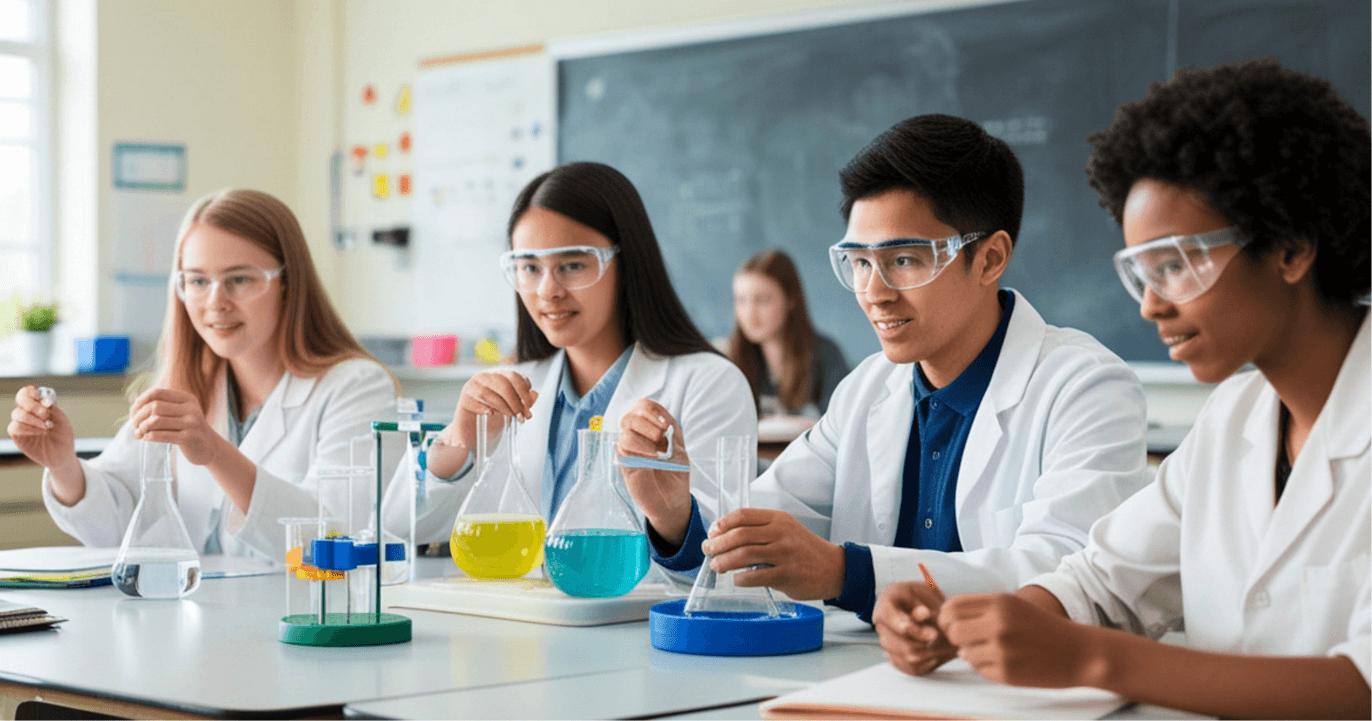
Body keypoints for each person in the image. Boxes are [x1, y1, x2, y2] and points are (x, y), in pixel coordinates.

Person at [876, 59, 1369, 720]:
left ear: (1288, 248)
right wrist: (977, 625)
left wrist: (1091, 657)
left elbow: (1361, 686)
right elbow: (1103, 580)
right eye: (1142, 272)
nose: (1152, 307)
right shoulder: (1237, 418)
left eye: (1177, 265)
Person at [642, 114, 1150, 621]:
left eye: (905, 260)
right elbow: (753, 535)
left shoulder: (1085, 388)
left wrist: (847, 573)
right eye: (859, 262)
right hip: (862, 681)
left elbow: (1069, 581)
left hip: (1013, 693)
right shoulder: (866, 390)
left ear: (991, 259)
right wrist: (674, 516)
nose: (875, 293)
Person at [393, 162, 756, 563]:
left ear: (628, 262)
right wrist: (461, 441)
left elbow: (724, 563)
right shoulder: (509, 389)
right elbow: (404, 527)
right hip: (518, 623)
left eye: (572, 265)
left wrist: (670, 515)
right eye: (529, 268)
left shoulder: (709, 383)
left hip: (636, 625)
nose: (548, 291)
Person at [8, 189, 399, 559]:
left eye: (240, 279)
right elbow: (118, 525)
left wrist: (214, 452)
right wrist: (62, 464)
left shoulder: (357, 387)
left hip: (303, 621)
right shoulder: (187, 385)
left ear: (288, 283)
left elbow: (336, 538)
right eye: (197, 281)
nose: (216, 303)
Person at [727, 249, 849, 420]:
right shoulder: (731, 360)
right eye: (741, 301)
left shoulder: (826, 356)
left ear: (790, 299)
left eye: (762, 300)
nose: (749, 314)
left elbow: (842, 424)